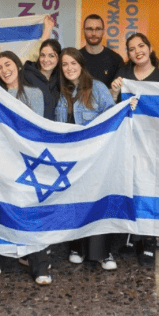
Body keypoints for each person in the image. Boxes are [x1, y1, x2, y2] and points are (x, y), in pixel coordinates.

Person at [0, 51, 51, 285]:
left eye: (8, 64)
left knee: (30, 211)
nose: (4, 69)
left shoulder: (34, 93)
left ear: (18, 66)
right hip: (1, 160)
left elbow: (36, 125)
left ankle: (40, 265)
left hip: (27, 159)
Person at [110, 33, 159, 267]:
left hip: (154, 143)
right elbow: (111, 106)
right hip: (128, 141)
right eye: (132, 48)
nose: (137, 51)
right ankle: (131, 238)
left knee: (150, 190)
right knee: (131, 188)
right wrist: (116, 91)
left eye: (141, 46)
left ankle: (149, 242)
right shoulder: (124, 76)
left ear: (150, 47)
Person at [56, 47, 117, 270]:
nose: (69, 68)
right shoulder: (61, 92)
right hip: (71, 157)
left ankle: (104, 252)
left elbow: (111, 118)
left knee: (98, 201)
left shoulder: (97, 88)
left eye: (73, 63)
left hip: (95, 156)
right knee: (75, 202)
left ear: (81, 65)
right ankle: (77, 247)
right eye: (65, 64)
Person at [21, 38, 62, 121]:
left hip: (53, 130)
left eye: (51, 56)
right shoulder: (26, 74)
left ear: (59, 58)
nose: (46, 60)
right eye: (42, 55)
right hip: (32, 129)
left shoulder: (61, 78)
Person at [80, 14, 123, 88]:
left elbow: (119, 91)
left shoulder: (116, 59)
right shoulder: (76, 58)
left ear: (103, 31)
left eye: (98, 29)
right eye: (89, 29)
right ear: (83, 31)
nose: (93, 33)